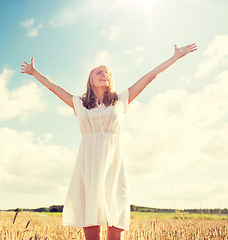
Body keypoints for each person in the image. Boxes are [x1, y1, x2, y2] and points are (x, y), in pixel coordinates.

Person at [21, 43, 197, 240]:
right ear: (90, 79)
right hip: (88, 166)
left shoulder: (121, 100)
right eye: (99, 71)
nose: (104, 73)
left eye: (108, 72)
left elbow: (150, 76)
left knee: (116, 219)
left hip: (114, 164)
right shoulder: (79, 104)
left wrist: (176, 57)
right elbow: (53, 87)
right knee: (91, 225)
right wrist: (35, 73)